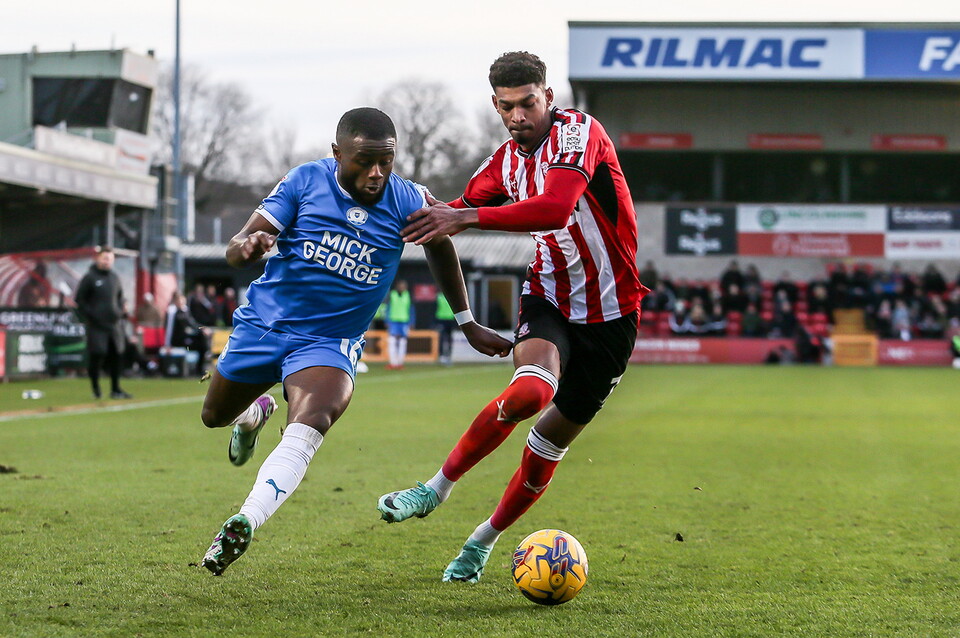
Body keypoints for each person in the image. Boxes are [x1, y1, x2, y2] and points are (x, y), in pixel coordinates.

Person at [198, 107, 511, 576]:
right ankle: (250, 415)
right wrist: (244, 248)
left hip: (328, 343)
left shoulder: (408, 199)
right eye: (364, 161)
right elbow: (242, 240)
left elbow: (441, 245)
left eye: (386, 160)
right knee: (213, 416)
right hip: (264, 325)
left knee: (313, 419)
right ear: (337, 153)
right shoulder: (304, 181)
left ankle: (246, 518)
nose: (376, 173)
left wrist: (467, 322)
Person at [376, 52, 647, 583]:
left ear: (547, 96)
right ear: (495, 106)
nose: (520, 115)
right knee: (528, 394)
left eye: (528, 102)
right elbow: (449, 212)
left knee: (548, 444)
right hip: (549, 294)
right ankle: (434, 488)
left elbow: (552, 208)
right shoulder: (502, 162)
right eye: (508, 106)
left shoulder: (579, 134)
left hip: (614, 316)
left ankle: (482, 541)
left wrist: (466, 217)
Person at [74, 246, 132, 400]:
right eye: (105, 258)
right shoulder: (90, 277)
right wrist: (91, 315)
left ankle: (116, 389)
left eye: (110, 259)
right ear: (98, 258)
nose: (107, 262)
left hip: (114, 325)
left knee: (117, 356)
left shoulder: (114, 277)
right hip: (97, 326)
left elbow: (120, 297)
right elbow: (80, 300)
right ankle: (96, 389)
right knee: (97, 356)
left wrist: (122, 308)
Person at [164, 291, 211, 376]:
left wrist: (203, 329)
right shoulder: (172, 312)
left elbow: (192, 324)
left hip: (185, 339)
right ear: (175, 301)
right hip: (178, 341)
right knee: (201, 344)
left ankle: (200, 367)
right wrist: (167, 345)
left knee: (202, 341)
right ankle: (199, 368)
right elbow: (169, 329)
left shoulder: (184, 311)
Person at [385, 279, 413, 369]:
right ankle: (393, 362)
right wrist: (387, 321)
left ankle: (400, 363)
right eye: (400, 286)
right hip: (393, 321)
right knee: (392, 341)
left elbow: (411, 310)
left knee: (402, 342)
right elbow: (388, 309)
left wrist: (411, 322)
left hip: (404, 322)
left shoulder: (408, 295)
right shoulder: (392, 295)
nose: (402, 288)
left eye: (404, 286)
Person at [434, 292, 456, 365]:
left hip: (450, 319)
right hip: (441, 319)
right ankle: (441, 356)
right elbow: (435, 308)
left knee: (449, 339)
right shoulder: (439, 297)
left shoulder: (452, 296)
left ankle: (449, 356)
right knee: (442, 338)